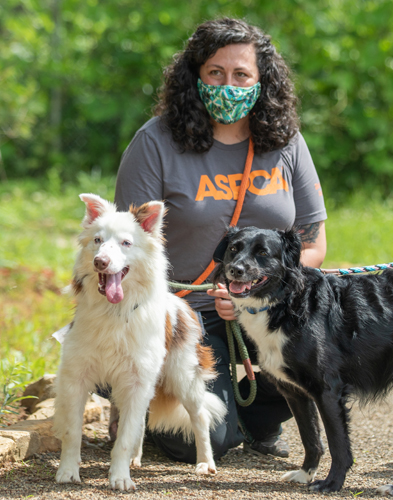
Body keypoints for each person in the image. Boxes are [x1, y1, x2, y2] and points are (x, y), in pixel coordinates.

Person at [113, 18, 327, 462]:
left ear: (261, 81)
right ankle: (135, 396)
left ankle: (261, 417)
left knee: (326, 348)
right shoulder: (155, 143)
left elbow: (313, 244)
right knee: (204, 439)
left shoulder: (287, 143)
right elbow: (124, 249)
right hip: (182, 313)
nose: (228, 85)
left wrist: (253, 295)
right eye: (216, 73)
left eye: (241, 75)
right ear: (195, 76)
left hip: (266, 306)